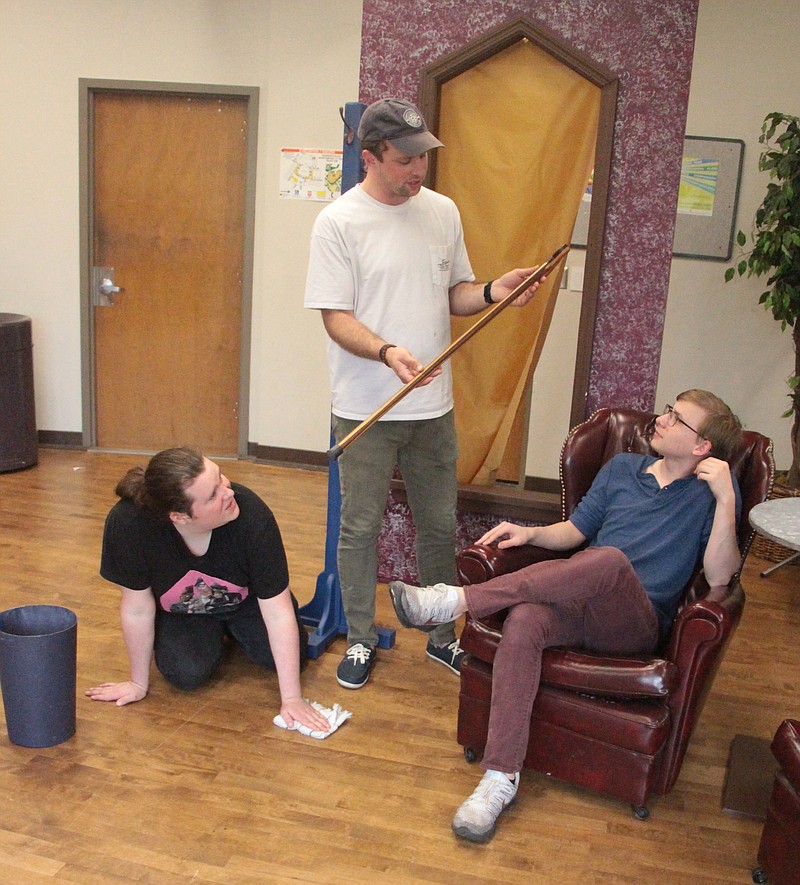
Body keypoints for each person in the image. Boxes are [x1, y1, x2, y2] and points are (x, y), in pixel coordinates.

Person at [388, 390, 743, 842]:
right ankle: (500, 778)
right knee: (526, 620)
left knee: (611, 560)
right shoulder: (621, 470)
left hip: (635, 623)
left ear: (702, 447)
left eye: (677, 419)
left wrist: (727, 500)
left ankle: (455, 600)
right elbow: (574, 532)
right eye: (668, 409)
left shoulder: (707, 497)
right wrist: (530, 532)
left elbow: (719, 578)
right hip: (581, 605)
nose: (663, 418)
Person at [304, 97, 542, 689]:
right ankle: (361, 638)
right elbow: (335, 317)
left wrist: (492, 292)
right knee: (360, 527)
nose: (418, 169)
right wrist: (387, 352)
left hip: (433, 409)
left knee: (439, 523)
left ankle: (441, 635)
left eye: (423, 157)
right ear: (370, 158)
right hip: (366, 407)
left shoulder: (442, 212)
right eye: (405, 158)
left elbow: (454, 293)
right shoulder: (338, 223)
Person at [86, 446, 330, 735]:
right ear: (180, 517)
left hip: (247, 600)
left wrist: (292, 699)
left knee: (287, 657)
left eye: (221, 478)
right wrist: (138, 683)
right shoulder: (128, 524)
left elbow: (277, 612)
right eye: (213, 495)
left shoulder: (252, 516)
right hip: (182, 611)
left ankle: (234, 632)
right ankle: (215, 635)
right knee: (186, 675)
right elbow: (137, 607)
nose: (229, 492)